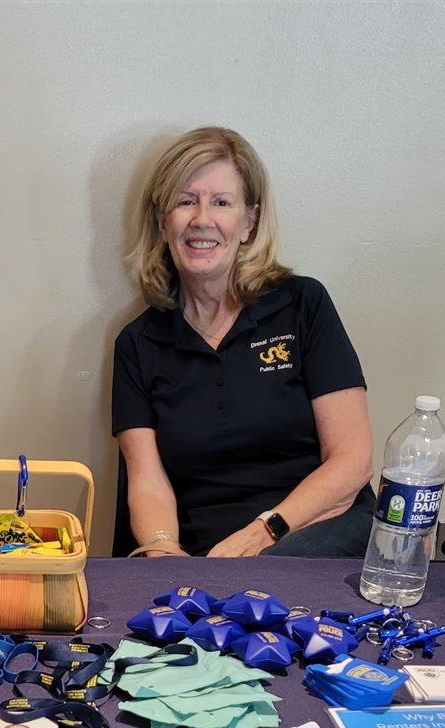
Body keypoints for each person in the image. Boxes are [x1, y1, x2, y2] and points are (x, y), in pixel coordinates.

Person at [112, 127, 373, 557]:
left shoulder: (303, 305)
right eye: (185, 201)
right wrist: (162, 552)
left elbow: (353, 460)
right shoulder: (137, 344)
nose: (202, 219)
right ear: (162, 221)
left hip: (313, 534)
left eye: (221, 202)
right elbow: (147, 481)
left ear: (249, 222)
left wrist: (263, 534)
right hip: (206, 554)